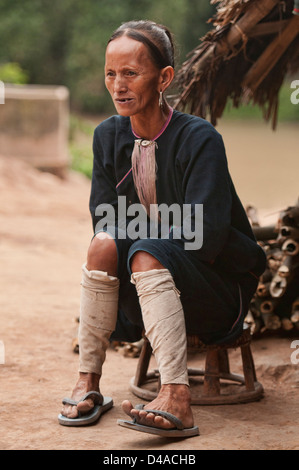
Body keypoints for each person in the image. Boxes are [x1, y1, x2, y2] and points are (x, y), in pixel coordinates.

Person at [58, 20, 266, 437]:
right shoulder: (106, 137)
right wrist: (135, 231)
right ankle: (89, 383)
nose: (118, 85)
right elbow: (104, 218)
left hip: (216, 290)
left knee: (144, 250)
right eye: (110, 74)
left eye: (131, 73)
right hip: (146, 290)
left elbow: (205, 235)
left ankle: (177, 395)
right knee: (101, 245)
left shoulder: (200, 138)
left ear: (164, 77)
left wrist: (138, 230)